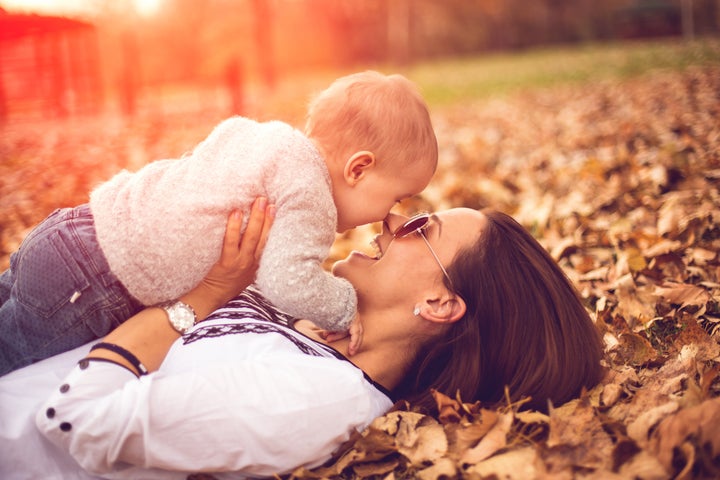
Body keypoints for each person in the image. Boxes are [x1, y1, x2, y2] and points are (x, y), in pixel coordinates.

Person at [0, 204, 604, 479]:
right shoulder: (317, 336)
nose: (393, 218)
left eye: (422, 227)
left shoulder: (321, 399)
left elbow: (78, 420)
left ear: (440, 305)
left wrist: (204, 297)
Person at [0, 70, 438, 376]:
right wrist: (345, 305)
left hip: (75, 228)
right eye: (396, 197)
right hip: (97, 283)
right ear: (359, 169)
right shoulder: (313, 199)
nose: (390, 215)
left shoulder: (266, 138)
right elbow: (287, 280)